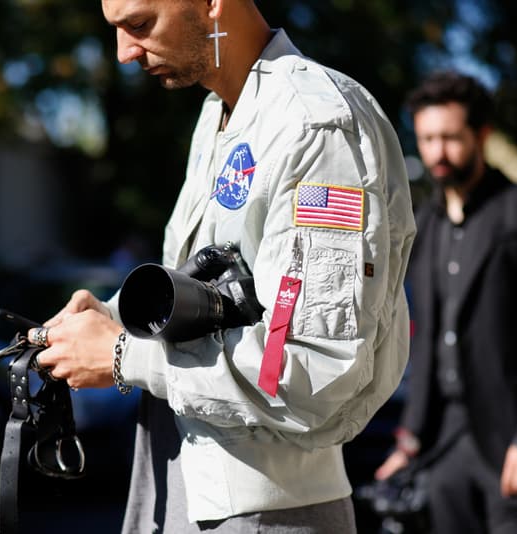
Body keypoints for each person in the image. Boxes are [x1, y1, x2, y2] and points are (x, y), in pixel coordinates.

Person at [28, 1, 415, 532]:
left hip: (264, 509)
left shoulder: (314, 124)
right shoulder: (220, 113)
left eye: (139, 25)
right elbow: (204, 288)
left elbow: (311, 370)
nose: (123, 53)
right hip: (180, 479)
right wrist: (112, 316)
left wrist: (124, 356)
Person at [374, 71, 517, 533]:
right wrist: (409, 442)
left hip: (514, 441)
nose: (437, 151)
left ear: (482, 135)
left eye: (451, 138)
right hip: (444, 445)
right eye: (427, 138)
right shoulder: (424, 225)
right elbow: (427, 344)